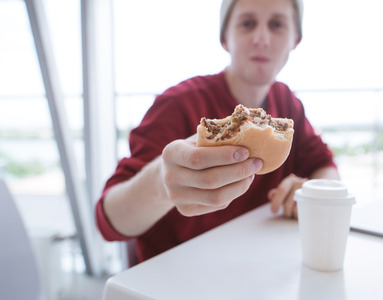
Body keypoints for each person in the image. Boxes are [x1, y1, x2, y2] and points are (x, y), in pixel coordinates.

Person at [96, 0, 340, 263]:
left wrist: (311, 191)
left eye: (277, 24)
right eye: (247, 24)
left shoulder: (288, 103)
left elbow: (325, 165)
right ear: (225, 38)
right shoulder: (178, 105)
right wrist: (160, 184)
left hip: (256, 266)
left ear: (295, 39)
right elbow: (108, 220)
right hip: (174, 277)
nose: (261, 38)